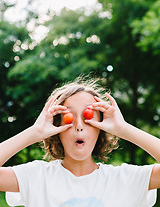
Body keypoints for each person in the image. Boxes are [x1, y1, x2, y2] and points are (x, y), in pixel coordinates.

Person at [0, 77, 159, 207]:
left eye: (88, 117)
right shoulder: (36, 177)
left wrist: (124, 129)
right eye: (68, 117)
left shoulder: (125, 180)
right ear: (56, 127)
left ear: (101, 127)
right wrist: (35, 132)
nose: (79, 126)